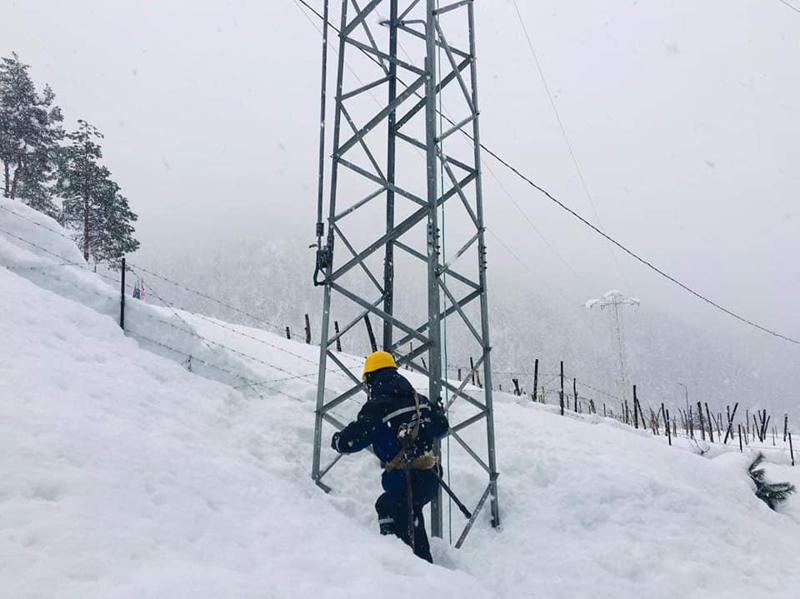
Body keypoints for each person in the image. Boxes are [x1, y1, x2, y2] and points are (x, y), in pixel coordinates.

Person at [331, 351, 449, 563]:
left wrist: (339, 441)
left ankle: (406, 566)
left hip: (405, 480)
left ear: (370, 378)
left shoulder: (378, 407)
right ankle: (414, 564)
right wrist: (436, 414)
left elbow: (355, 439)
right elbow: (441, 428)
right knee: (406, 513)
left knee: (392, 509)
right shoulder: (418, 400)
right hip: (430, 476)